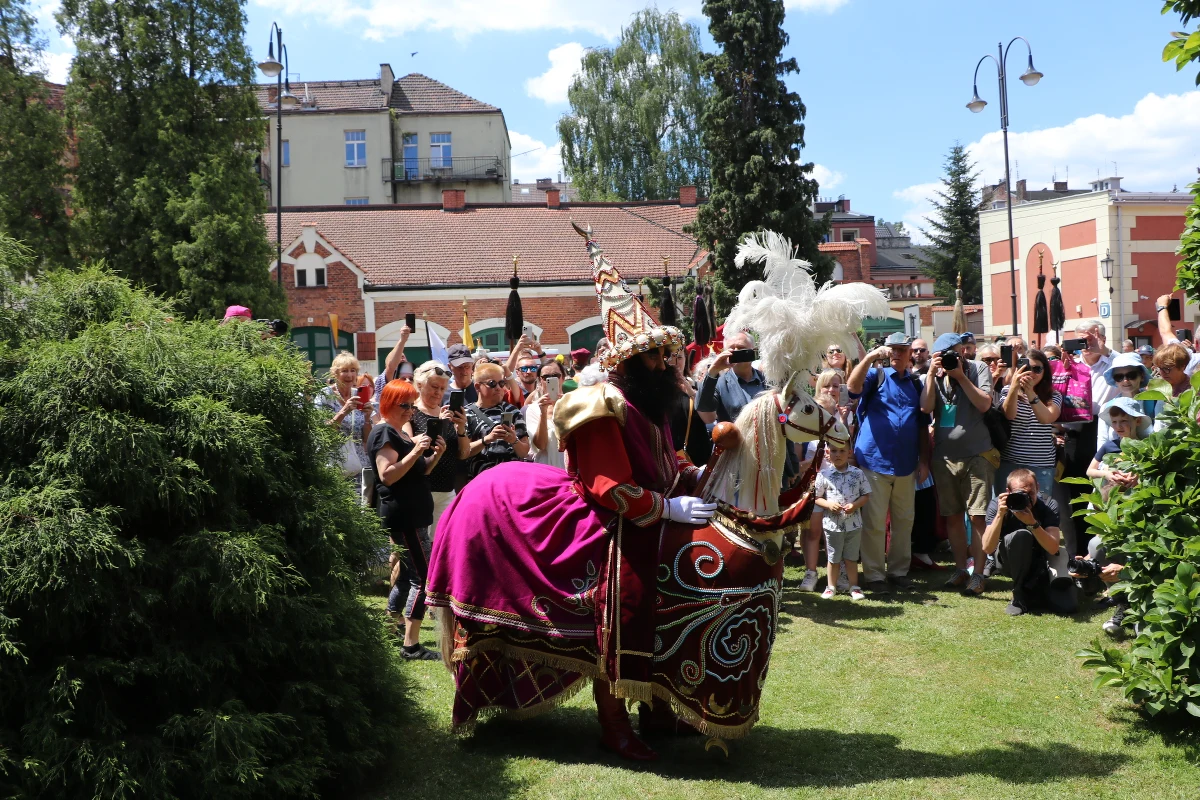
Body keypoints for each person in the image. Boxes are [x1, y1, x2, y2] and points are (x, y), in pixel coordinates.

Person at [425, 240, 710, 760]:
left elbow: (664, 462)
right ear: (631, 360)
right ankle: (613, 724)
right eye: (654, 355)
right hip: (604, 519)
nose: (666, 363)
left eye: (665, 353)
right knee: (615, 608)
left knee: (666, 607)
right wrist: (666, 508)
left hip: (641, 517)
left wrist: (698, 474)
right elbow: (609, 487)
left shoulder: (653, 404)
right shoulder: (603, 405)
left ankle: (656, 707)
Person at [368, 379, 446, 661]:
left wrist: (435, 455)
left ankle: (390, 627)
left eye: (412, 406)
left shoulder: (399, 432)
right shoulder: (384, 432)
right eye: (404, 405)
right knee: (423, 578)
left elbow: (420, 471)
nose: (410, 410)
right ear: (388, 403)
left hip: (414, 514)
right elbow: (387, 475)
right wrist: (414, 451)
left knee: (405, 577)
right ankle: (411, 645)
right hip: (405, 516)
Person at [847, 331, 931, 595]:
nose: (896, 353)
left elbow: (922, 426)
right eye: (892, 349)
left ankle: (898, 572)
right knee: (874, 522)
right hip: (874, 460)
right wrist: (869, 358)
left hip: (906, 463)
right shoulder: (876, 375)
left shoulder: (916, 384)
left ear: (909, 354)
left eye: (901, 349)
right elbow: (852, 388)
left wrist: (924, 460)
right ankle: (874, 576)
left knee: (904, 521)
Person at [920, 333, 995, 595]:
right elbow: (926, 407)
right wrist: (931, 374)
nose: (949, 359)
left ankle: (979, 573)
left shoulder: (978, 368)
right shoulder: (934, 376)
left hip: (977, 454)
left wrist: (961, 376)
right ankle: (961, 569)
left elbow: (984, 404)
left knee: (977, 517)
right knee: (952, 516)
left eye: (952, 353)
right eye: (942, 356)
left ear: (962, 351)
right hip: (944, 457)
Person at [982, 468, 1072, 616]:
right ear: (1008, 492)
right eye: (1020, 494)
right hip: (1009, 560)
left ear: (1038, 487)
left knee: (1067, 607)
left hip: (1041, 560)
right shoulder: (998, 504)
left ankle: (1040, 588)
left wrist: (1032, 523)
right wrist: (1000, 515)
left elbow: (1053, 548)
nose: (1027, 499)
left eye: (1031, 493)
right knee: (1022, 535)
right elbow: (987, 547)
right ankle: (1019, 595)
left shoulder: (1048, 504)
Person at [801, 369, 855, 590]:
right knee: (812, 531)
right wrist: (814, 460)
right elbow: (799, 462)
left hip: (839, 486)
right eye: (827, 385)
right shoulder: (806, 418)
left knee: (839, 532)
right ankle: (811, 573)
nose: (832, 390)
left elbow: (851, 454)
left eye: (836, 386)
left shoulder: (846, 417)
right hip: (815, 485)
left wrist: (842, 419)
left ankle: (840, 572)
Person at [410, 361, 471, 537]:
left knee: (443, 542)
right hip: (421, 489)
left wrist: (461, 428)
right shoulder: (410, 412)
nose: (438, 393)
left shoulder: (447, 413)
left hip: (447, 490)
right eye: (434, 387)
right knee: (420, 544)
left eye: (443, 389)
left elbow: (463, 454)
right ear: (420, 385)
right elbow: (406, 443)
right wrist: (440, 424)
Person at [996, 349, 1061, 494]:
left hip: (1041, 463)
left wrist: (1030, 392)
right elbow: (1009, 415)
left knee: (1039, 505)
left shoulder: (1053, 395)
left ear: (1045, 371)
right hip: (1011, 462)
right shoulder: (1008, 390)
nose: (1031, 373)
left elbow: (1046, 418)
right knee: (1008, 505)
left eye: (1037, 369)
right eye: (1027, 368)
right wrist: (1014, 387)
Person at [813, 441, 871, 601]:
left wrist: (855, 505)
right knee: (833, 558)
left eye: (842, 451)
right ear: (827, 452)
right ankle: (831, 587)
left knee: (851, 558)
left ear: (849, 452)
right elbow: (816, 497)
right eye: (833, 451)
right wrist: (828, 504)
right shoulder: (823, 474)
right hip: (832, 525)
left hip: (854, 525)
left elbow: (866, 495)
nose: (837, 454)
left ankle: (854, 587)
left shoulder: (857, 473)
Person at [315, 351, 373, 500]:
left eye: (353, 370)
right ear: (335, 374)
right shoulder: (324, 396)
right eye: (344, 371)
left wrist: (367, 418)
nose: (349, 375)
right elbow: (322, 432)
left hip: (358, 468)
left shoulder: (359, 394)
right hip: (334, 466)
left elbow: (366, 439)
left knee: (360, 509)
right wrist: (344, 411)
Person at [463, 361, 530, 480]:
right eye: (492, 384)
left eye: (501, 383)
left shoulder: (513, 411)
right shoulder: (467, 414)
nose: (498, 388)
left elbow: (524, 452)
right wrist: (488, 439)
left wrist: (514, 440)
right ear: (477, 387)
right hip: (483, 481)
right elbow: (463, 452)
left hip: (512, 478)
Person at [696, 330, 767, 424]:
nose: (736, 351)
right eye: (731, 349)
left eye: (741, 348)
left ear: (753, 351)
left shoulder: (768, 380)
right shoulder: (719, 384)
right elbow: (705, 411)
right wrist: (713, 370)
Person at [667, 347, 713, 467]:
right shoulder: (658, 389)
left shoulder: (696, 386)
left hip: (697, 456)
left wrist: (691, 392)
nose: (675, 362)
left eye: (679, 357)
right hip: (670, 456)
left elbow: (709, 418)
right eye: (671, 357)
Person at [1097, 353, 1152, 444]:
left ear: (1142, 376)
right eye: (1119, 377)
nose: (1125, 380)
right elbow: (1102, 441)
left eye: (1131, 375)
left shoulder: (1154, 402)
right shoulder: (1106, 407)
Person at [524, 360, 567, 469]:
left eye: (556, 376)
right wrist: (543, 413)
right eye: (546, 377)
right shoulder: (533, 409)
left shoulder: (573, 403)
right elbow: (541, 445)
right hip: (546, 468)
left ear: (563, 378)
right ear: (540, 380)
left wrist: (565, 407)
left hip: (570, 465)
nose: (551, 379)